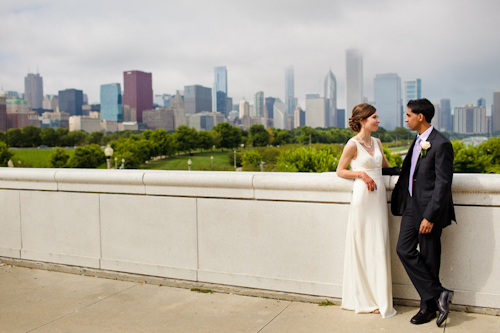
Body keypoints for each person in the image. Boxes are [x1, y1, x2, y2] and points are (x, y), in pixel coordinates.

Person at [391, 99, 456, 327]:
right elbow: (411, 169)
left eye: (408, 115)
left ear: (421, 116)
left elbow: (442, 185)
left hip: (429, 211)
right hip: (410, 207)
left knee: (429, 259)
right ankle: (440, 294)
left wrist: (430, 216)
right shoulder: (418, 140)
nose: (406, 119)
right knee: (403, 249)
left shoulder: (441, 144)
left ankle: (427, 307)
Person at [336, 103, 397, 318]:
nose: (378, 121)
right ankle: (366, 299)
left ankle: (379, 297)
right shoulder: (352, 144)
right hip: (363, 197)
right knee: (364, 244)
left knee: (379, 244)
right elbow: (340, 171)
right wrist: (361, 174)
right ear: (362, 120)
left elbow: (387, 169)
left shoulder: (377, 142)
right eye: (375, 117)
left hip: (378, 198)